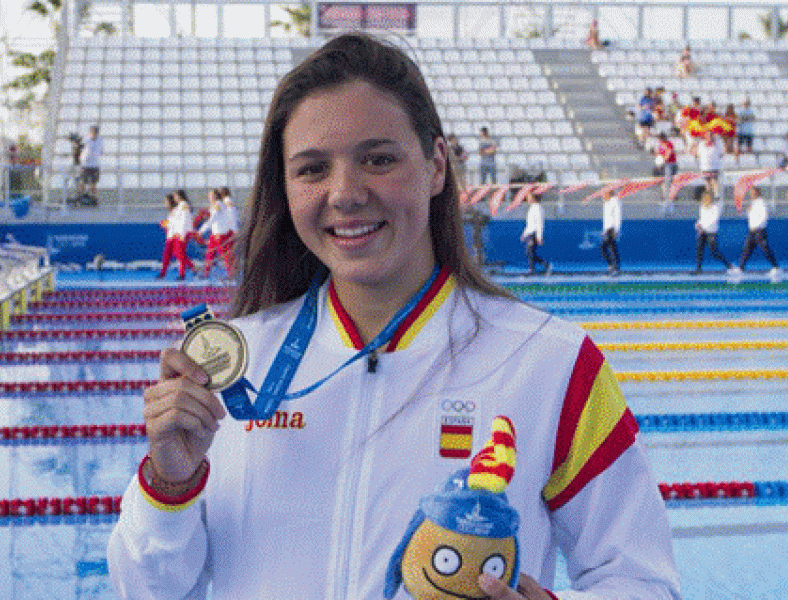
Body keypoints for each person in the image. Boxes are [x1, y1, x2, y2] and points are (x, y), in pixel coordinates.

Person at [107, 33, 680, 600]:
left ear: (435, 165)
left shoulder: (550, 363)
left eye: (377, 159)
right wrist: (169, 484)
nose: (345, 193)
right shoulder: (234, 368)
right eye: (312, 169)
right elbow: (147, 591)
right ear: (285, 188)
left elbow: (644, 581)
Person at [737, 186, 780, 275]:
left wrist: (756, 226)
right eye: (751, 192)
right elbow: (752, 217)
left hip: (759, 230)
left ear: (757, 193)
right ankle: (741, 268)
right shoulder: (753, 203)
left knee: (764, 249)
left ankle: (776, 267)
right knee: (747, 249)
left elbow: (764, 217)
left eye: (752, 192)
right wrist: (748, 211)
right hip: (752, 231)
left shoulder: (762, 203)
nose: (751, 194)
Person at [198, 188, 236, 278]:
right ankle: (206, 274)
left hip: (221, 235)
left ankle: (230, 275)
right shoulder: (216, 205)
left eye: (211, 195)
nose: (209, 197)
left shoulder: (218, 205)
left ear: (215, 196)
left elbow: (213, 219)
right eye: (209, 195)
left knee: (225, 256)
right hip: (215, 235)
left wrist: (201, 230)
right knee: (209, 254)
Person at [157, 192, 195, 280]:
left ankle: (187, 271)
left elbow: (182, 221)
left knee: (179, 253)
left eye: (166, 201)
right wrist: (165, 223)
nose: (165, 203)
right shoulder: (176, 210)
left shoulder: (182, 206)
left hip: (179, 234)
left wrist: (181, 234)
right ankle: (189, 270)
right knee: (175, 254)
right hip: (175, 235)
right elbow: (174, 223)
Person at [693, 189, 733, 274]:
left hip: (711, 232)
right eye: (704, 198)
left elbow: (714, 219)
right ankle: (698, 268)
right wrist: (698, 224)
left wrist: (703, 225)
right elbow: (702, 219)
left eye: (708, 198)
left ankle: (729, 265)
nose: (706, 199)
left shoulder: (715, 207)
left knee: (714, 251)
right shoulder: (702, 207)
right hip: (702, 231)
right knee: (699, 249)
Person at [77, 124, 103, 204]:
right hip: (86, 164)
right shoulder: (86, 139)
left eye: (95, 132)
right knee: (82, 182)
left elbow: (101, 151)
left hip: (95, 165)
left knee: (94, 183)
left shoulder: (100, 140)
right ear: (90, 132)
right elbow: (80, 148)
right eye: (93, 132)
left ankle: (94, 199)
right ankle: (79, 197)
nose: (94, 133)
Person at [696, 130, 724, 200]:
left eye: (711, 135)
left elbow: (721, 153)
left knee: (714, 180)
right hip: (705, 166)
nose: (710, 137)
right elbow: (698, 154)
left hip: (714, 166)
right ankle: (709, 196)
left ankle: (716, 195)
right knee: (707, 182)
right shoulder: (701, 144)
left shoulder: (717, 143)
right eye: (708, 135)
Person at [600, 189, 621, 275]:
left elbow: (617, 215)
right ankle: (612, 267)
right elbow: (606, 218)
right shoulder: (606, 203)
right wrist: (604, 230)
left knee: (612, 248)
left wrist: (616, 229)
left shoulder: (614, 202)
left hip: (612, 229)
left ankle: (615, 268)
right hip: (608, 229)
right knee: (605, 247)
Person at [655, 132, 678, 209]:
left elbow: (669, 154)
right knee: (662, 181)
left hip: (670, 164)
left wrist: (662, 161)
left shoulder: (669, 144)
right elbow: (658, 153)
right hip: (663, 165)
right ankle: (665, 197)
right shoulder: (660, 145)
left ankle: (669, 198)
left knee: (668, 181)